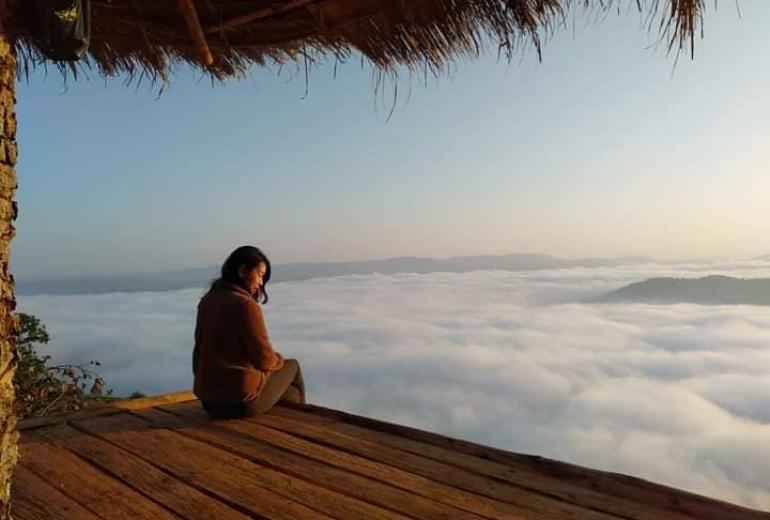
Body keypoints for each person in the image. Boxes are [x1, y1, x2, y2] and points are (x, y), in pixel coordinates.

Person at [193, 245, 305, 419]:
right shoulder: (245, 305)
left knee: (289, 393)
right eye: (260, 275)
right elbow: (265, 360)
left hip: (209, 403)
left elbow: (198, 351)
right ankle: (303, 424)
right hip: (239, 403)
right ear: (243, 271)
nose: (261, 283)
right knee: (293, 367)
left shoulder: (208, 300)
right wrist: (279, 359)